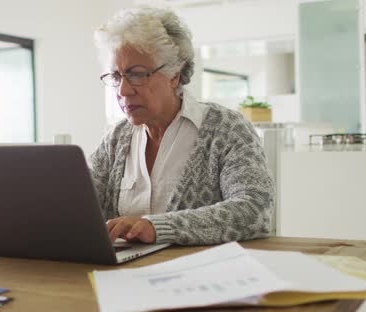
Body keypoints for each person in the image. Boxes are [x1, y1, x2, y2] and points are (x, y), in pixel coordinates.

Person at [90, 7, 273, 246]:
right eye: (116, 77)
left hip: (204, 276)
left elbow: (254, 211)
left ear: (174, 74)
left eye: (136, 74)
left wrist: (157, 227)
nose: (123, 90)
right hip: (127, 274)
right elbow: (81, 204)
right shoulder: (116, 139)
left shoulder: (226, 129)